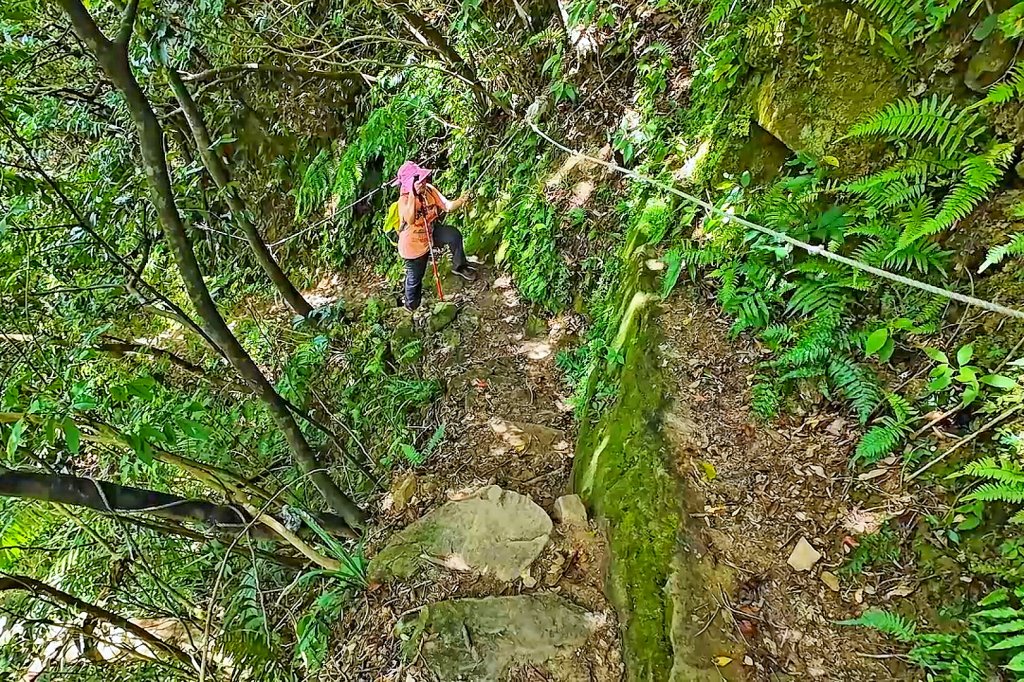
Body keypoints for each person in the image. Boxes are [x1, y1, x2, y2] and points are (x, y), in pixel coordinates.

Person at [389, 160, 476, 311]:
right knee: (415, 279)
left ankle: (459, 266)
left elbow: (447, 206)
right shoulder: (404, 200)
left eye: (422, 179)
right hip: (413, 247)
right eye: (418, 181)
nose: (423, 182)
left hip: (430, 234)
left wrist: (461, 200)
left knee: (453, 235)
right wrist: (413, 194)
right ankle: (411, 307)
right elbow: (409, 219)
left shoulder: (429, 190)